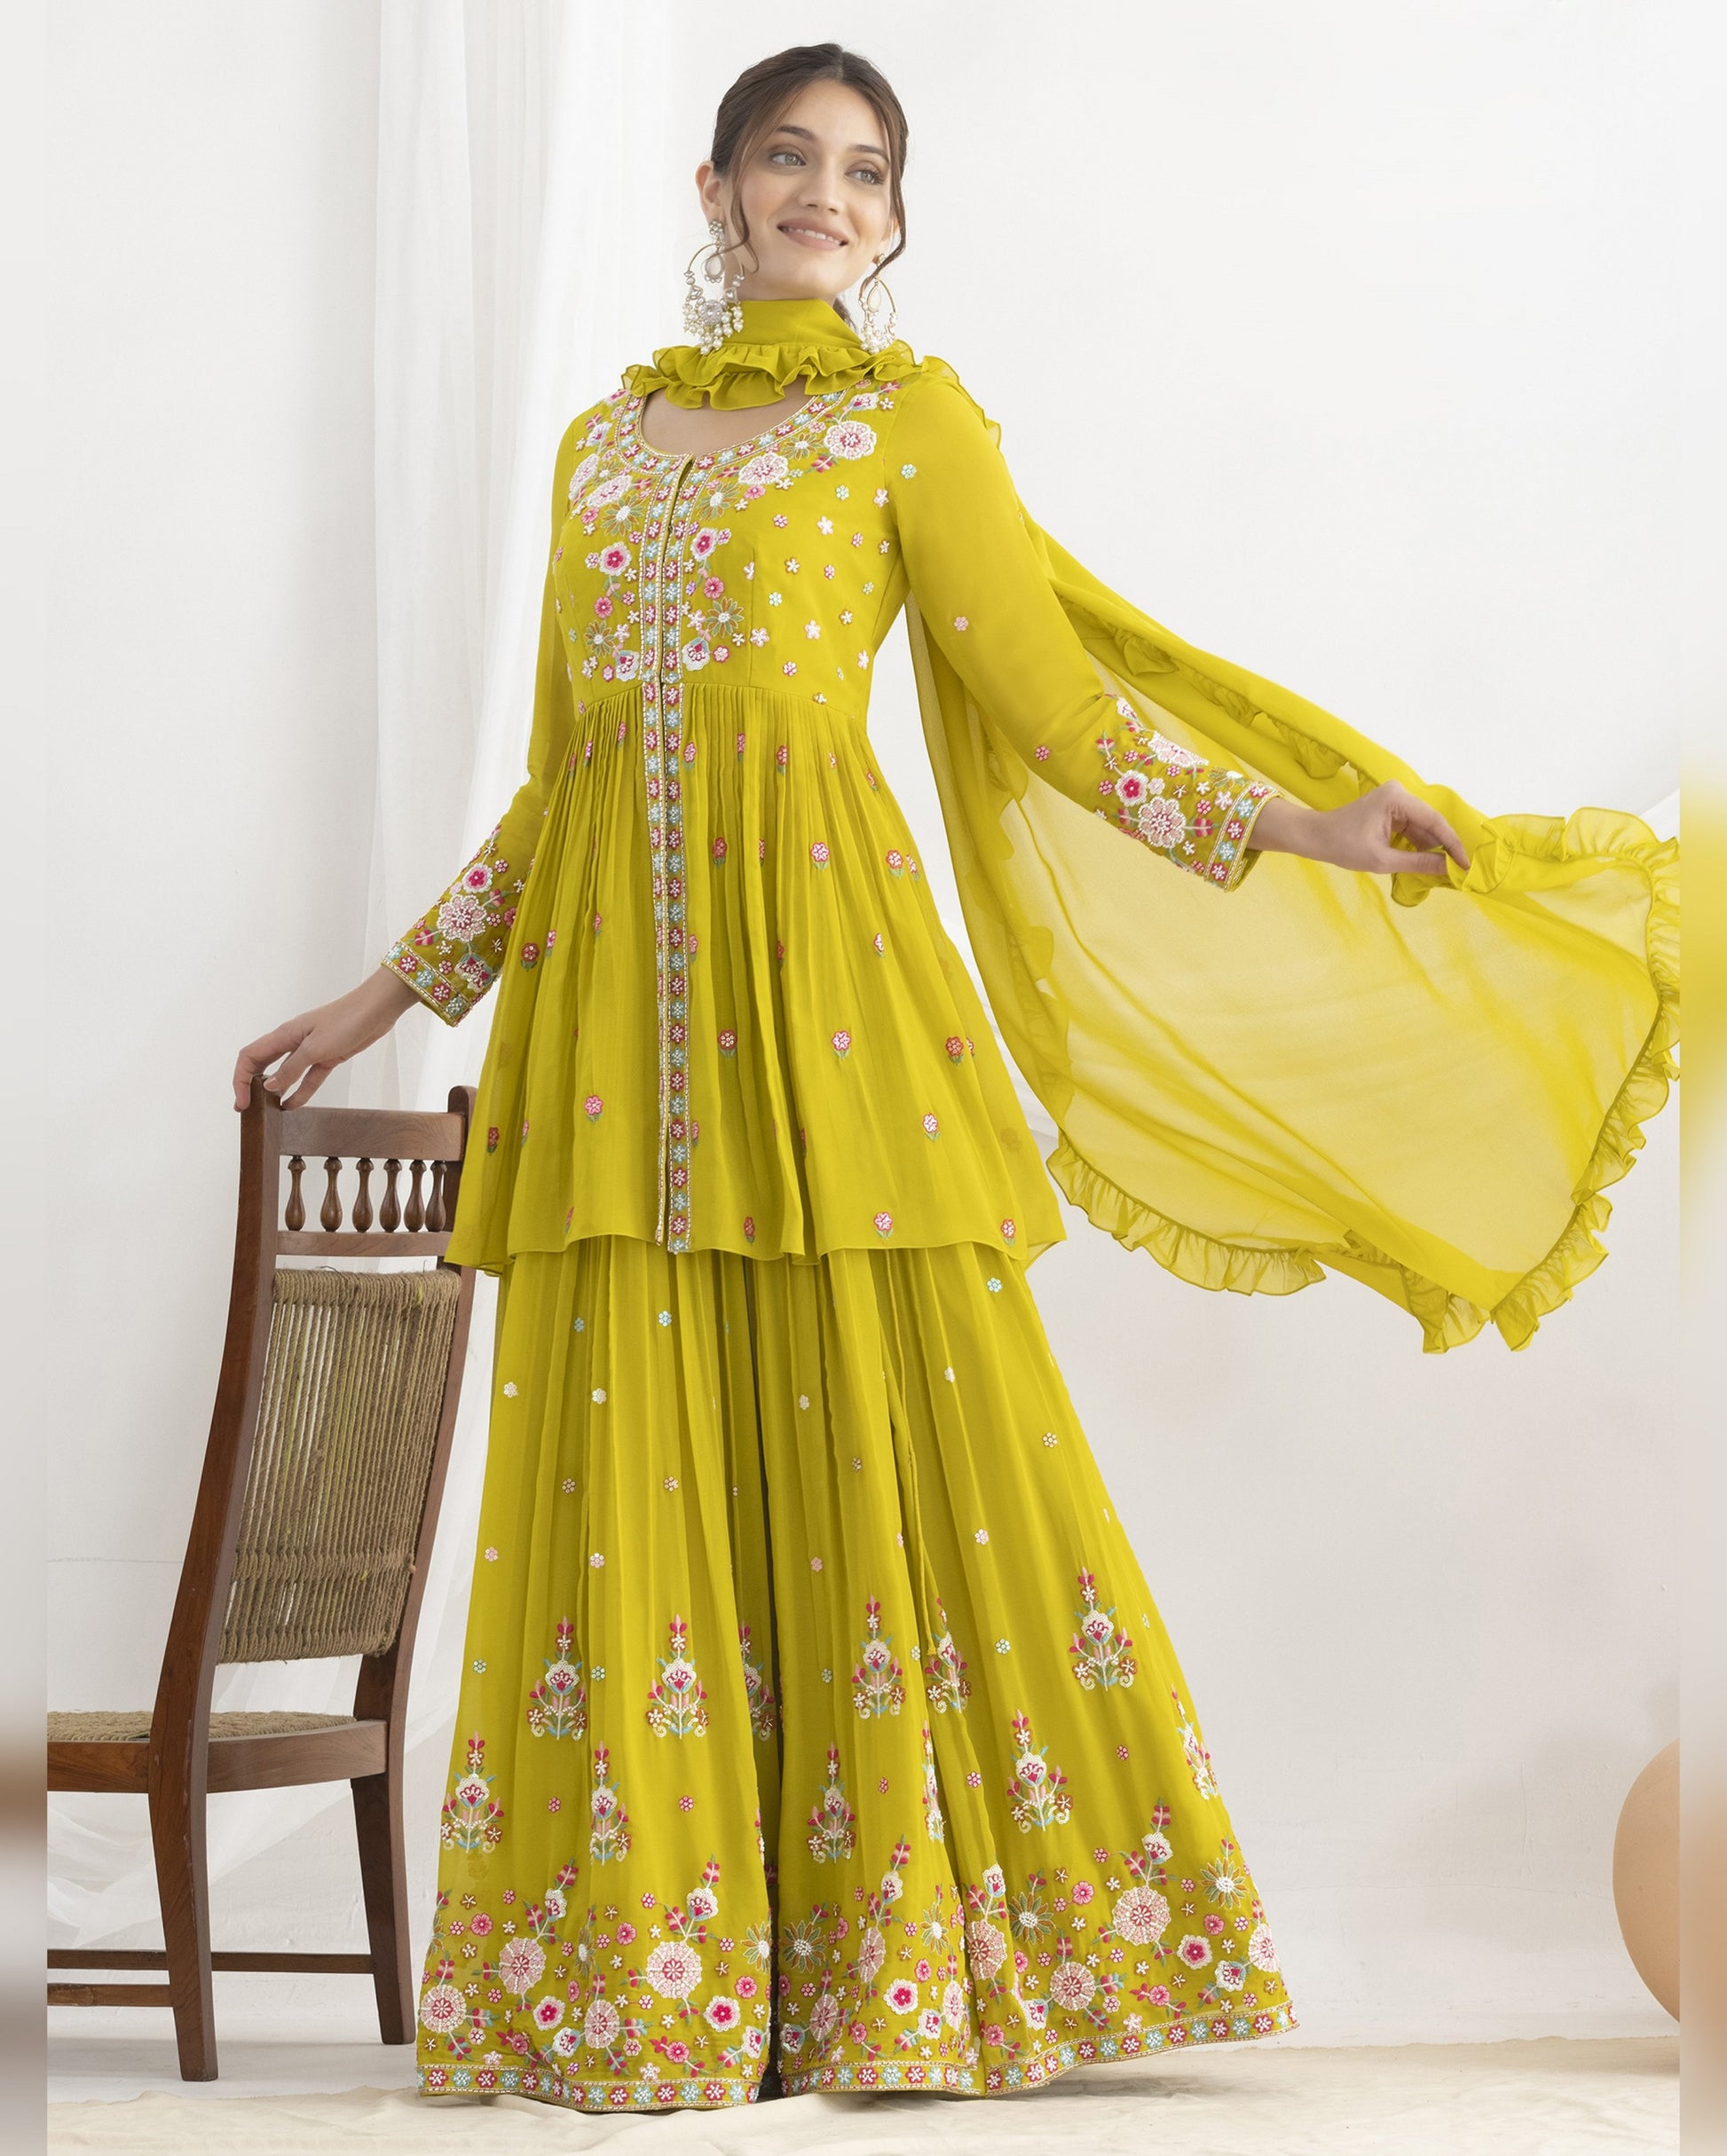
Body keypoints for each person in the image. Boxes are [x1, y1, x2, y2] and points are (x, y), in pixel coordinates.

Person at [234, 44, 1676, 2115]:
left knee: (895, 1464)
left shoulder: (905, 429)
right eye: (792, 160)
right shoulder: (600, 449)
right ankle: (657, 1973)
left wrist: (1297, 825)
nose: (829, 194)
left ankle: (909, 1966)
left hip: (831, 1025)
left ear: (893, 223)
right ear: (715, 188)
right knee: (632, 1483)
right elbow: (559, 801)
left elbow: (1061, 712)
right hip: (614, 1057)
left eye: (868, 171)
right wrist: (378, 997)